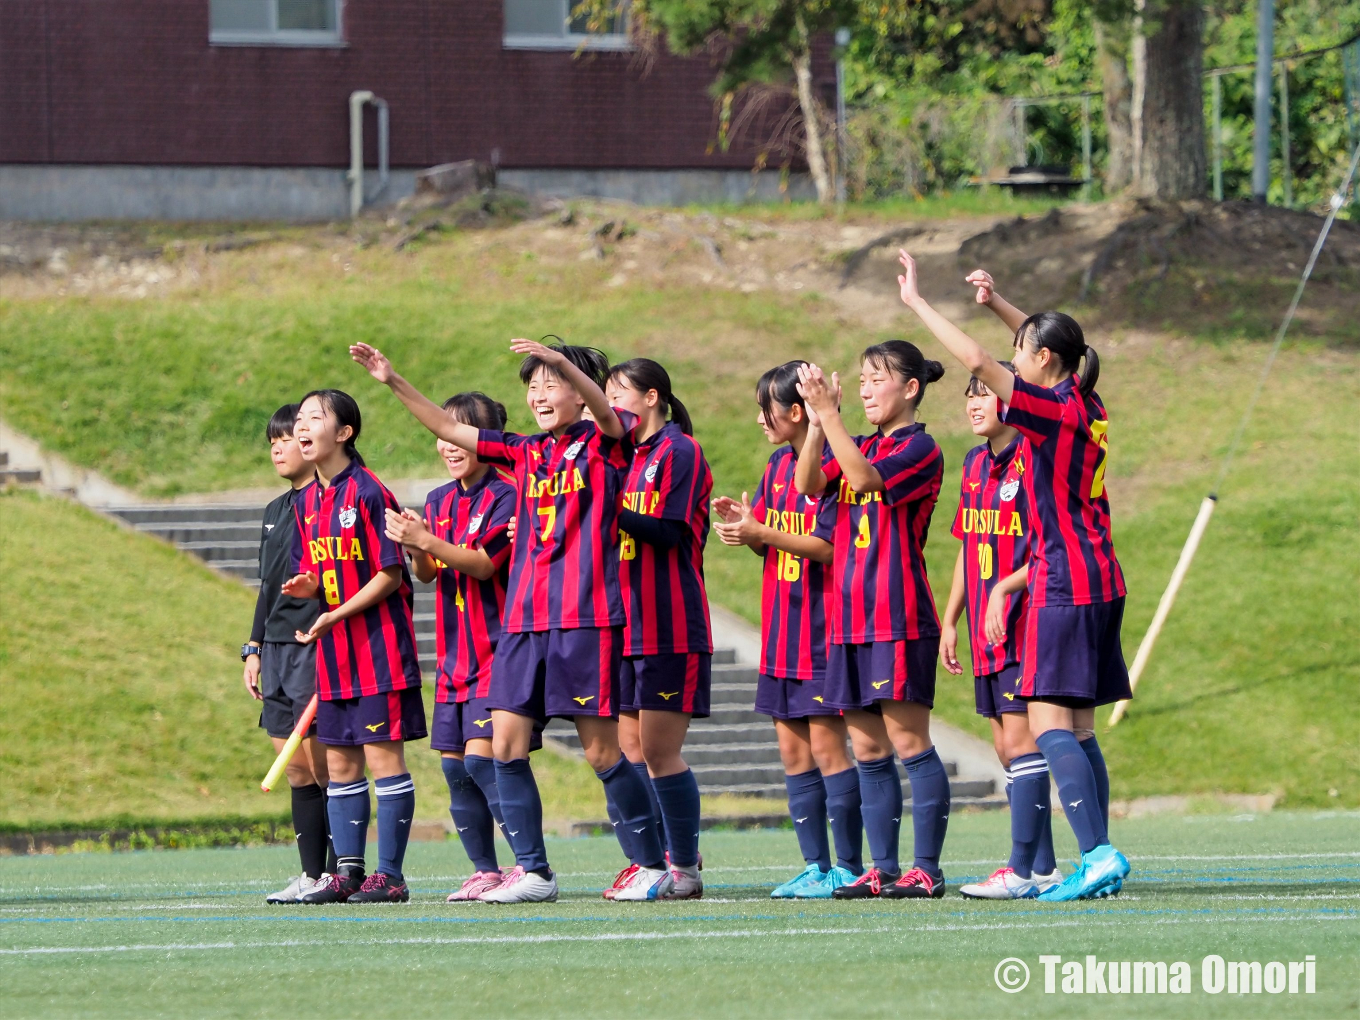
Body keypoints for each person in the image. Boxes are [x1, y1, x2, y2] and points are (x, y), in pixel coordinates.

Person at [350, 338, 667, 904]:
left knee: (602, 754)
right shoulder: (522, 452)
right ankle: (534, 873)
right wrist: (393, 380)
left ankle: (650, 863)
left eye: (552, 384)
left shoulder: (604, 441)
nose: (539, 394)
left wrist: (567, 363)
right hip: (522, 624)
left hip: (585, 619)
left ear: (577, 389)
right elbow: (449, 430)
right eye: (534, 385)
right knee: (504, 747)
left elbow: (604, 409)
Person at [897, 253, 1131, 901]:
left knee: (1049, 725)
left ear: (1044, 362)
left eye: (1022, 351)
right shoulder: (1087, 399)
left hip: (1063, 581)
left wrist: (917, 304)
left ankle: (1098, 853)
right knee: (1079, 732)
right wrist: (1000, 303)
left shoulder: (1050, 411)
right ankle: (1096, 857)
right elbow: (1058, 343)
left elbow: (977, 362)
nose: (1014, 357)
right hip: (1102, 575)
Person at [793, 341, 952, 901]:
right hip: (847, 620)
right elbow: (807, 485)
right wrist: (817, 422)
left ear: (910, 388)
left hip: (897, 616)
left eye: (877, 379)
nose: (864, 389)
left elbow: (862, 480)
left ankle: (926, 869)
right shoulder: (850, 439)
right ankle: (883, 870)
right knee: (867, 750)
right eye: (859, 378)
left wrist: (830, 418)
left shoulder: (921, 447)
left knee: (910, 742)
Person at [713, 362, 864, 899]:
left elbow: (828, 547)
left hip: (821, 632)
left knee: (829, 754)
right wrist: (747, 527)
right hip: (782, 631)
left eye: (766, 409)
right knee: (794, 758)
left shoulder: (834, 462)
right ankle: (816, 867)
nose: (760, 420)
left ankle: (849, 867)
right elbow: (769, 535)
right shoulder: (778, 464)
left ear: (796, 412)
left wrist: (764, 531)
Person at [281, 389, 425, 905]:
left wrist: (335, 611)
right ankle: (347, 872)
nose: (302, 426)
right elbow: (323, 572)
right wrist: (309, 586)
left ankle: (390, 875)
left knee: (384, 761)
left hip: (378, 651)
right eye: (299, 418)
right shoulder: (306, 500)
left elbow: (389, 573)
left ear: (344, 433)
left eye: (314, 418)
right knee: (340, 766)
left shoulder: (368, 492)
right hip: (335, 654)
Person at [384, 392, 521, 903]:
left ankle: (526, 865)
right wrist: (414, 543)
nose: (449, 444)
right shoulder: (440, 500)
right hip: (454, 656)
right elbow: (428, 573)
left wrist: (428, 540)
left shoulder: (509, 495)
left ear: (485, 439)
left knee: (486, 764)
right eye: (444, 434)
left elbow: (484, 564)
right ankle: (485, 870)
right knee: (454, 767)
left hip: (498, 650)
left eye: (461, 434)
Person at [938, 366, 1062, 899]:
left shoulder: (1034, 458)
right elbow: (969, 543)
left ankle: (1017, 869)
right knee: (1007, 750)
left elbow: (1049, 547)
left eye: (984, 393)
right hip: (987, 631)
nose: (973, 403)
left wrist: (1003, 589)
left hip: (1025, 621)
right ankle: (1044, 869)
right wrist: (951, 617)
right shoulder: (973, 463)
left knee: (1022, 743)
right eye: (969, 395)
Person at [604, 358, 711, 901]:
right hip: (622, 622)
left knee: (658, 749)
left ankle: (685, 867)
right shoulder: (619, 458)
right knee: (628, 749)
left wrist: (604, 509)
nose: (610, 404)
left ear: (651, 397)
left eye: (618, 393)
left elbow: (670, 533)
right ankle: (650, 863)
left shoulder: (678, 451)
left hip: (668, 622)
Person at [243, 403, 334, 905]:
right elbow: (265, 588)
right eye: (274, 440)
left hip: (311, 646)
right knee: (295, 768)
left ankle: (345, 874)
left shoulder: (325, 503)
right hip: (275, 651)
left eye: (291, 438)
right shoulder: (275, 510)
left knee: (326, 767)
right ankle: (310, 873)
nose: (281, 447)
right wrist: (252, 648)